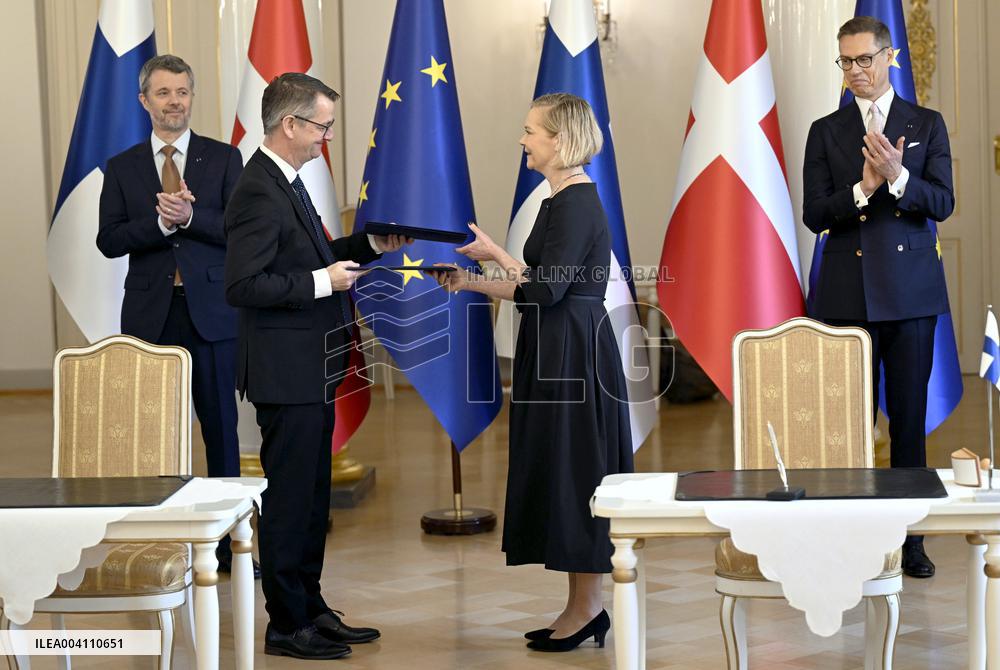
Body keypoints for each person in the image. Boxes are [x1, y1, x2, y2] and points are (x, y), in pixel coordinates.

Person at [430, 93, 633, 652]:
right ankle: (579, 606)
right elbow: (536, 287)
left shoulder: (575, 203)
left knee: (577, 472)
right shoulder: (555, 200)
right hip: (554, 343)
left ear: (559, 140)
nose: (523, 140)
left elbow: (544, 288)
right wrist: (474, 275)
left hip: (574, 353)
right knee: (562, 470)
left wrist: (493, 257)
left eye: (530, 131)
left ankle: (588, 608)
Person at [224, 72, 409, 661]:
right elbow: (244, 284)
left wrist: (365, 249)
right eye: (323, 126)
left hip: (310, 363)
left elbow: (312, 256)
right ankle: (285, 624)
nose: (326, 137)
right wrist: (320, 281)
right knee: (289, 499)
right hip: (285, 367)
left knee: (311, 496)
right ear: (291, 124)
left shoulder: (288, 182)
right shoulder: (258, 188)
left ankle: (311, 606)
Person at [803, 16, 954, 578]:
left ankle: (909, 539)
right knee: (847, 423)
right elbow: (814, 213)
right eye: (845, 62)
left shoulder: (927, 123)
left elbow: (942, 203)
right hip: (846, 294)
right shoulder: (826, 130)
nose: (855, 72)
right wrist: (863, 189)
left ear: (889, 58)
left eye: (864, 60)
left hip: (910, 295)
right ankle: (850, 534)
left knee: (908, 422)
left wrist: (897, 178)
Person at [96, 54, 254, 575]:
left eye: (182, 92)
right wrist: (161, 228)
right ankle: (161, 542)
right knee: (157, 433)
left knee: (221, 430)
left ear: (192, 97)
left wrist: (189, 217)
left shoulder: (224, 157)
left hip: (211, 314)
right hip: (150, 318)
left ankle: (233, 544)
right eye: (163, 93)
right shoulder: (121, 167)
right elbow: (109, 240)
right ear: (145, 101)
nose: (175, 102)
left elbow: (238, 229)